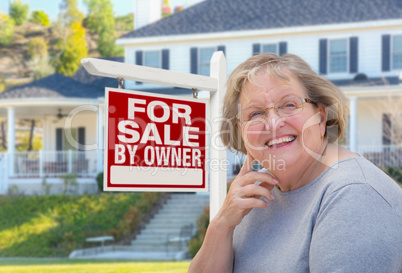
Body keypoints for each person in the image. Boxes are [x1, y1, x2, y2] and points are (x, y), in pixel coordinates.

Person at [188, 53, 402, 273]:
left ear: (320, 116)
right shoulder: (254, 197)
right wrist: (222, 224)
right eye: (255, 114)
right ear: (241, 130)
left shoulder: (353, 194)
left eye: (289, 105)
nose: (273, 123)